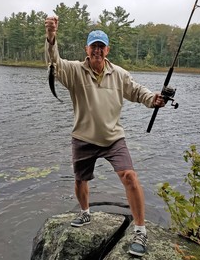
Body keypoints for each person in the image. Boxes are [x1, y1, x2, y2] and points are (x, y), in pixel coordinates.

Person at [44, 16, 165, 257]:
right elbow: (53, 63)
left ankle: (140, 229)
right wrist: (51, 37)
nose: (97, 50)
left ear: (107, 50)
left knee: (129, 176)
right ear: (86, 49)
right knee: (81, 180)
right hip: (83, 137)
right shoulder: (73, 71)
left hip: (113, 138)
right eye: (93, 46)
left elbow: (137, 91)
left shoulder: (118, 74)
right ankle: (85, 212)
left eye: (101, 46)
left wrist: (153, 99)